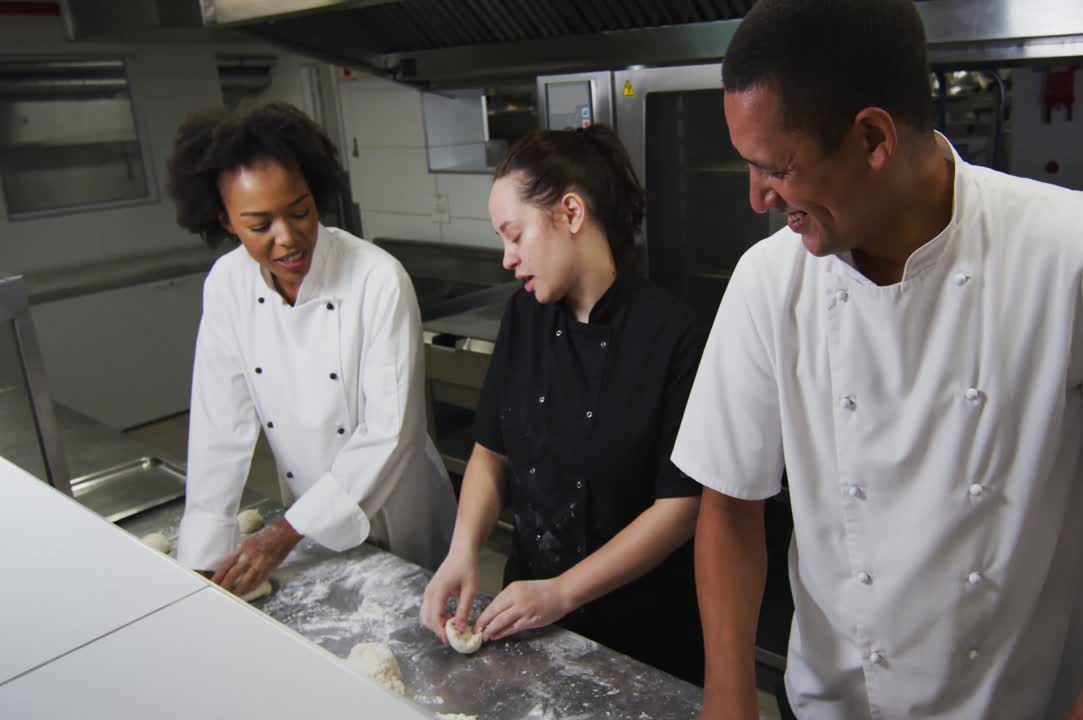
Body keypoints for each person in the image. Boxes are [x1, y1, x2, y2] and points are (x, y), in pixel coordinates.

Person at [673, 1, 1083, 718]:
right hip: (834, 703)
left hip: (1026, 698)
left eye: (777, 168)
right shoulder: (767, 282)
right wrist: (728, 690)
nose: (758, 198)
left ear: (872, 138)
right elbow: (730, 503)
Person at [419, 124, 706, 685]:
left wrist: (562, 592)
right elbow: (489, 452)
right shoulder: (524, 316)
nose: (507, 258)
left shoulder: (674, 337)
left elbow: (680, 510)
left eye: (515, 234)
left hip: (644, 633)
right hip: (533, 618)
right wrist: (462, 551)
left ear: (570, 213)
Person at [168, 102, 456, 593]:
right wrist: (203, 549)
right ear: (226, 220)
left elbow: (391, 432)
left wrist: (285, 533)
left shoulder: (376, 278)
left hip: (396, 507)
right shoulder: (227, 285)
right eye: (260, 226)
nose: (288, 239)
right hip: (304, 509)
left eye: (300, 211)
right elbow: (220, 423)